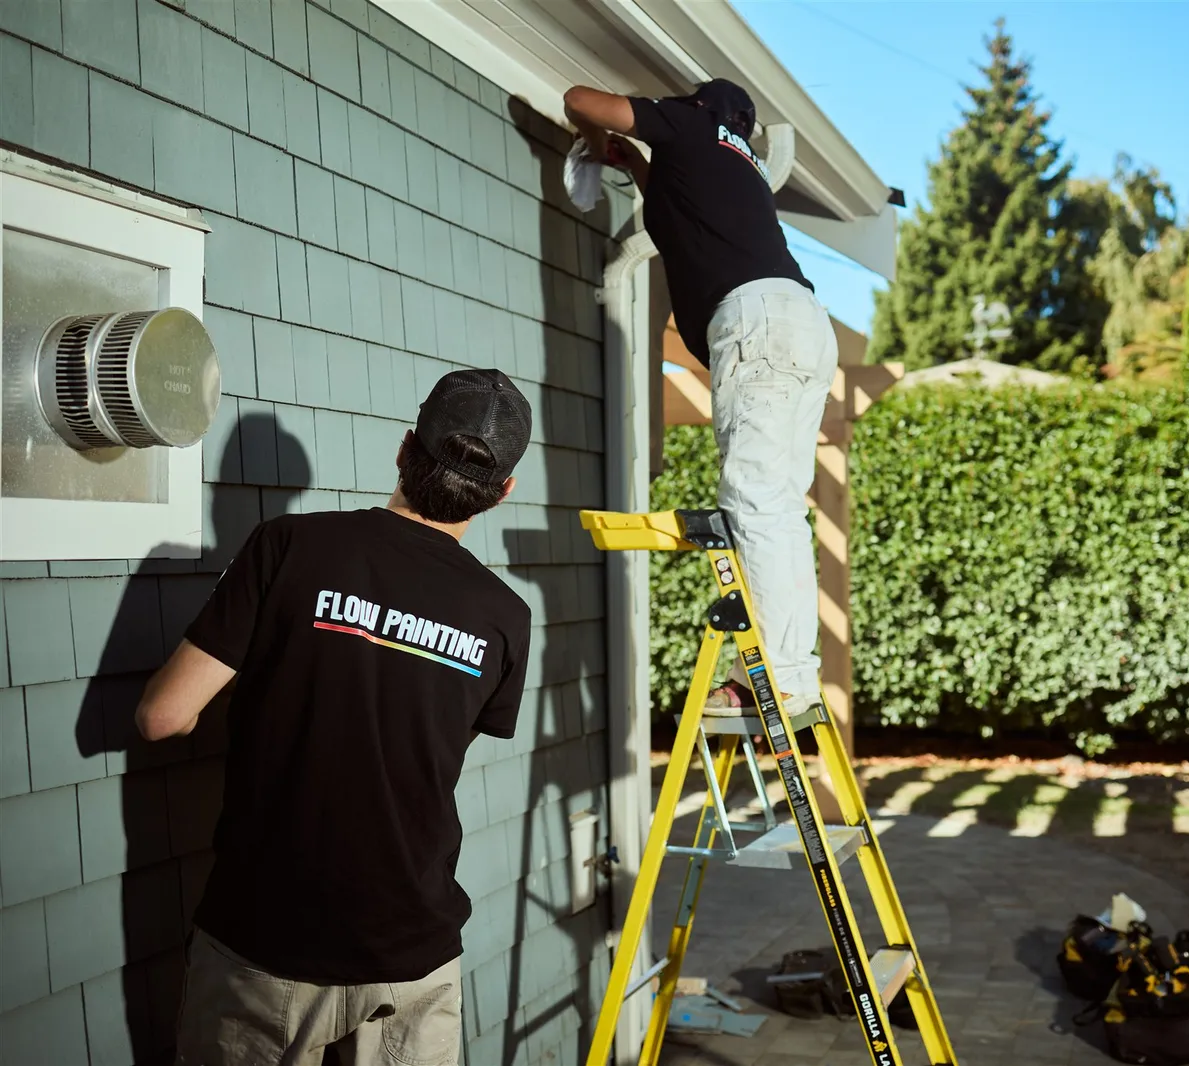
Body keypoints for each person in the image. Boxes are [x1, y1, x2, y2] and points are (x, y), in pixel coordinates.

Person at [136, 369, 534, 1064]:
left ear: (405, 449)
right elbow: (428, 734)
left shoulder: (289, 547)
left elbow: (163, 716)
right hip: (416, 953)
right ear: (502, 491)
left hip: (269, 944)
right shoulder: (506, 617)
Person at [557, 77, 840, 716]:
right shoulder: (742, 166)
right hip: (802, 321)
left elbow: (580, 98)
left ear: (701, 105)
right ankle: (793, 670)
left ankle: (781, 681)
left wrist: (608, 132)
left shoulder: (688, 124)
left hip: (758, 320)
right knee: (777, 508)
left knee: (756, 501)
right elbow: (677, 208)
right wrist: (629, 160)